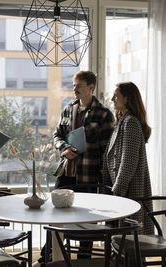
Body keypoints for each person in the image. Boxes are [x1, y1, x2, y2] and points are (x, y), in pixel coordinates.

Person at [33, 71, 114, 266]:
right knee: (54, 217)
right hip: (66, 171)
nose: (74, 88)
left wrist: (104, 181)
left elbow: (107, 151)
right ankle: (47, 258)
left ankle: (83, 261)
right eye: (74, 85)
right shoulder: (68, 109)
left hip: (89, 175)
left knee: (87, 220)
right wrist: (64, 148)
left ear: (91, 87)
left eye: (79, 85)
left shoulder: (104, 114)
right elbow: (57, 134)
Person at [102, 81, 154, 235]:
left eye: (116, 95)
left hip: (129, 190)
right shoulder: (123, 121)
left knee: (129, 238)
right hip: (122, 189)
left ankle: (127, 260)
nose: (112, 99)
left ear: (127, 98)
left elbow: (128, 161)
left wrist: (117, 191)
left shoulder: (130, 122)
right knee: (122, 237)